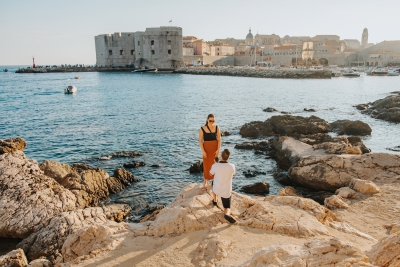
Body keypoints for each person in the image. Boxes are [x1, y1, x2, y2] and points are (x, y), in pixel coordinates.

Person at [210, 149, 236, 224]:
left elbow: (211, 174)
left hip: (216, 189)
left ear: (221, 156)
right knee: (227, 208)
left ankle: (215, 201)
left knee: (213, 183)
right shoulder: (232, 166)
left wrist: (216, 164)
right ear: (229, 157)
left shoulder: (215, 165)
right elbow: (233, 174)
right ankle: (226, 214)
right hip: (226, 192)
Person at [198, 114, 221, 189]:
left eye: (213, 121)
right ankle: (205, 182)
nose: (212, 122)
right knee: (206, 165)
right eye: (210, 120)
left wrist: (218, 150)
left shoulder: (217, 128)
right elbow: (200, 140)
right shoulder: (202, 128)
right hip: (206, 150)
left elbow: (219, 140)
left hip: (215, 149)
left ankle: (215, 181)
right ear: (207, 119)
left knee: (215, 165)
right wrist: (203, 151)